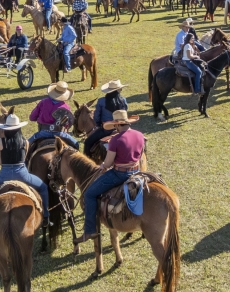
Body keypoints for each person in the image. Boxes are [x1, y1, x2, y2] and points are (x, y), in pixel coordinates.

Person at [75, 110, 145, 244]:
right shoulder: (140, 135)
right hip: (137, 171)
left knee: (89, 194)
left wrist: (103, 166)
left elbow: (108, 163)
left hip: (120, 174)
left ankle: (90, 230)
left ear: (117, 125)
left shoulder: (115, 140)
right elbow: (140, 155)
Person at [0, 114, 50, 226]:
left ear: (6, 128)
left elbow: (0, 162)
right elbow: (24, 159)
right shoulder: (25, 142)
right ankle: (45, 216)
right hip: (23, 175)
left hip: (4, 175)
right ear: (19, 128)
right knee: (43, 188)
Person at [84, 80, 130, 156]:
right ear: (118, 90)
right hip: (122, 127)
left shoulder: (101, 101)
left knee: (87, 142)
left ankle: (86, 161)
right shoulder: (123, 100)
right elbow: (125, 112)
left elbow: (97, 116)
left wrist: (98, 124)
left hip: (106, 129)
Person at [28, 82, 79, 149]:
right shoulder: (66, 107)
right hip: (60, 134)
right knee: (76, 144)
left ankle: (25, 159)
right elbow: (67, 125)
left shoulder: (43, 102)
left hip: (43, 133)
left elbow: (32, 117)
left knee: (26, 145)